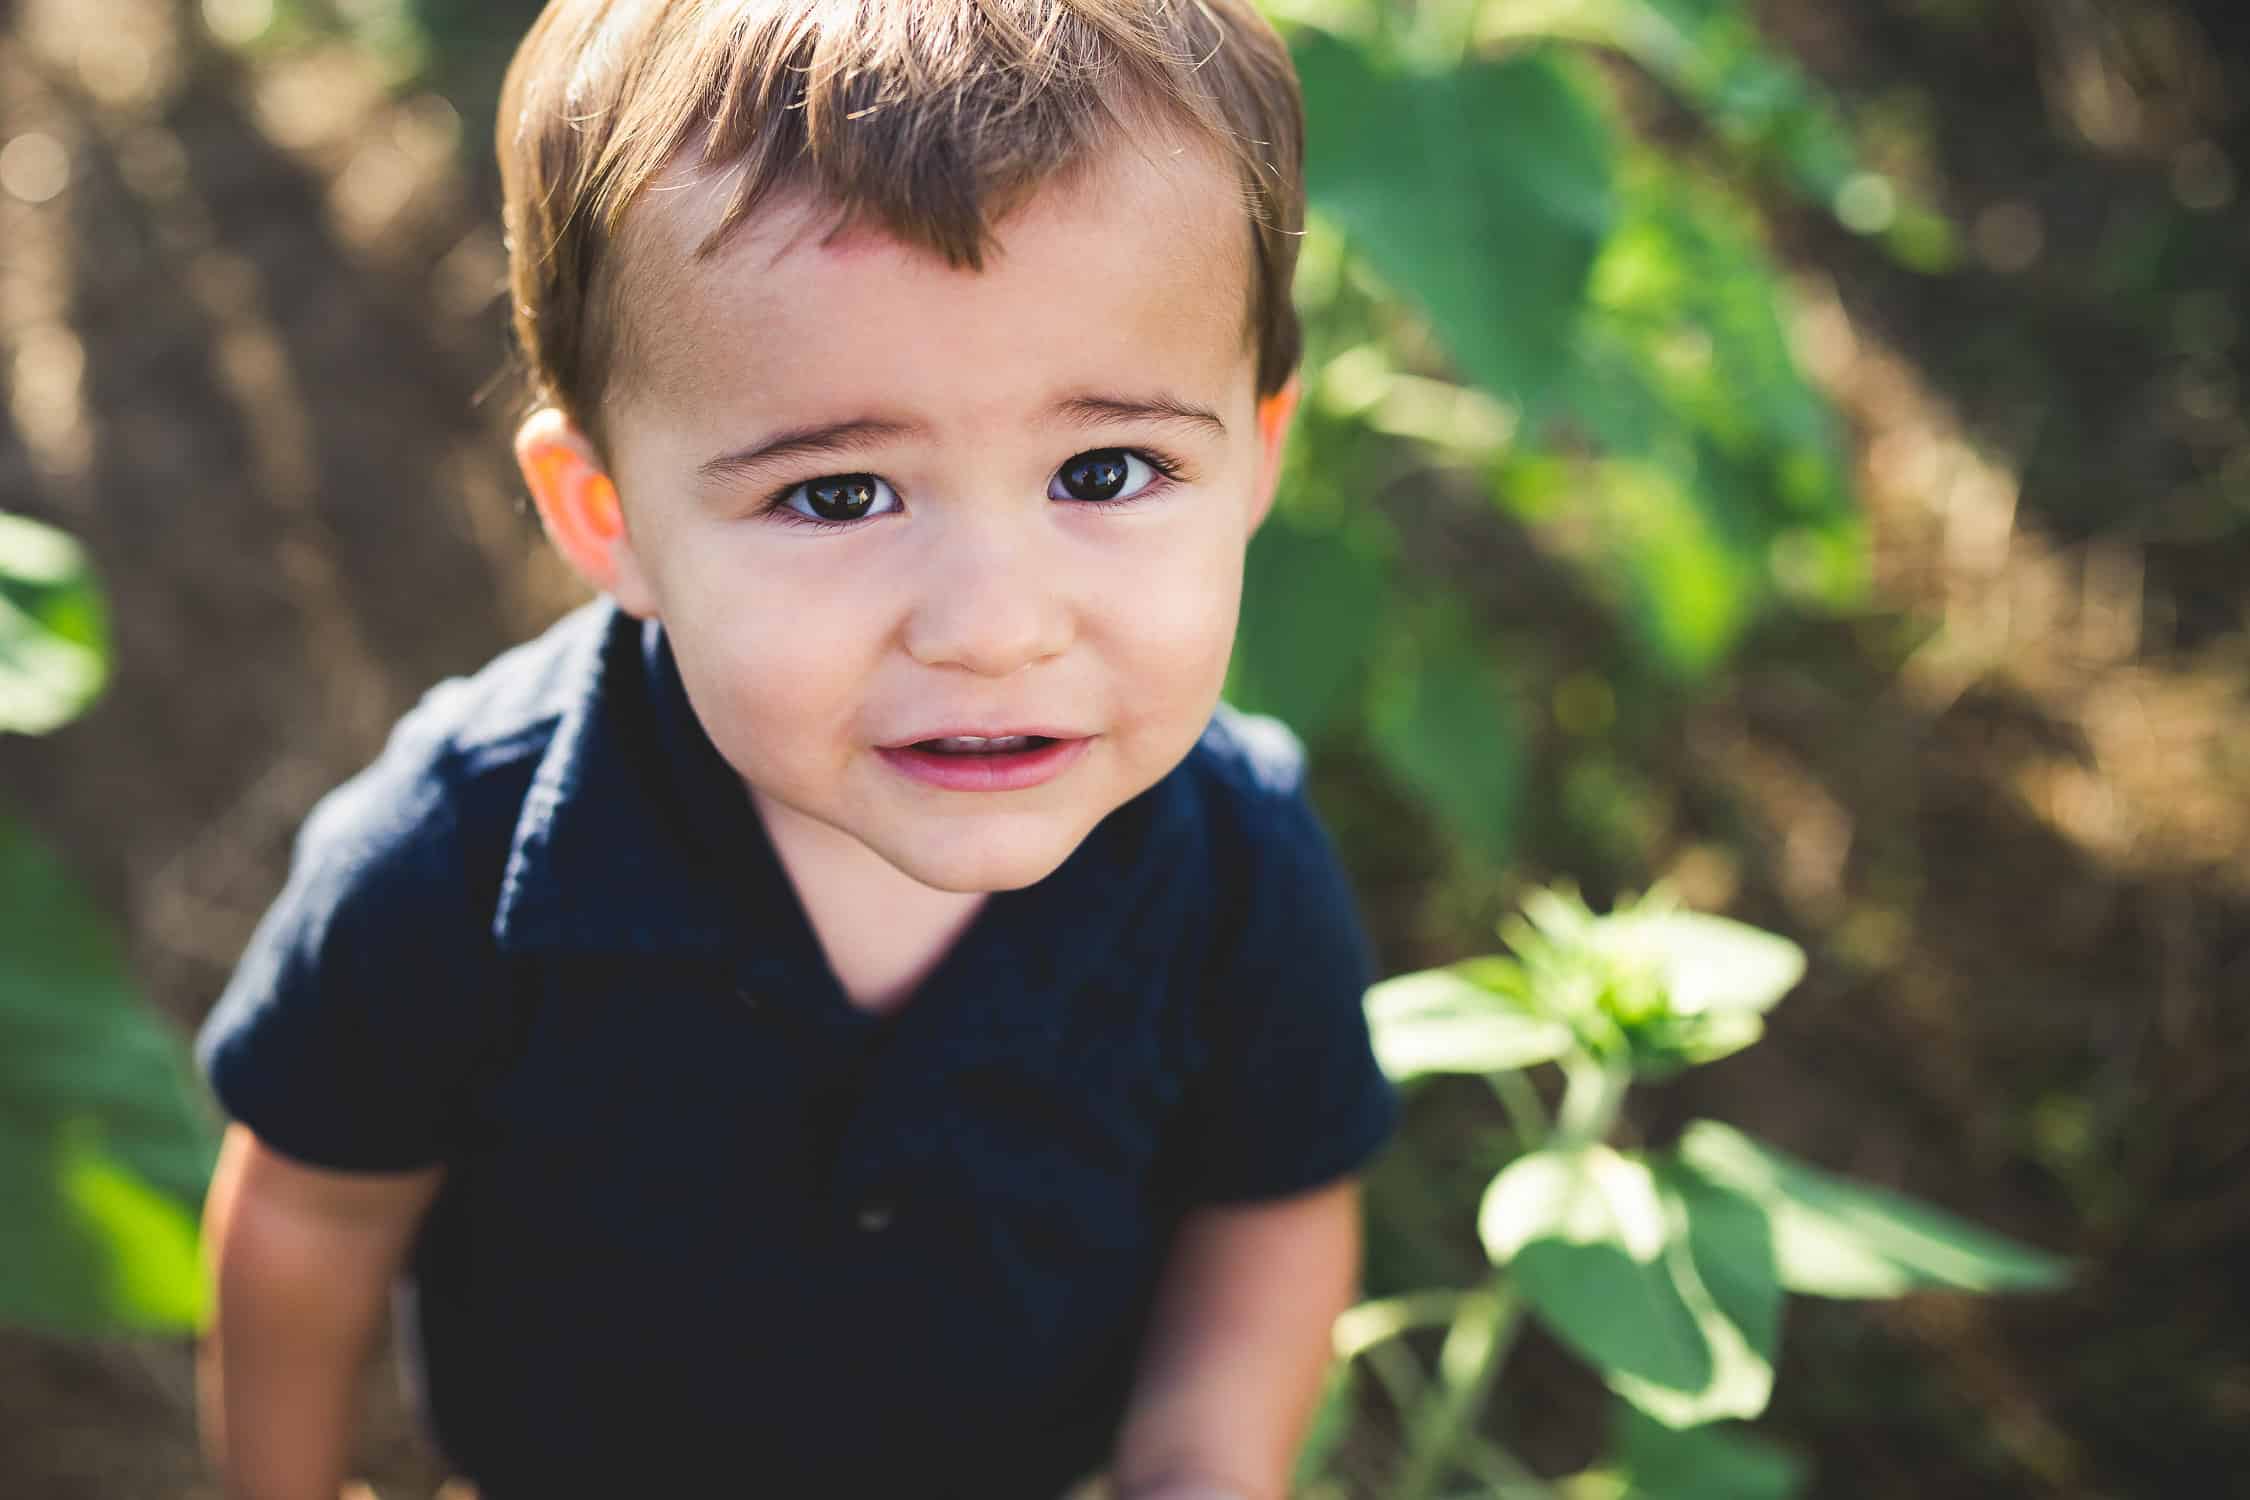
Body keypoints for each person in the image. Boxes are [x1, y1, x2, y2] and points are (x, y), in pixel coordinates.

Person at [193, 0, 1398, 1495]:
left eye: (1106, 469)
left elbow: (1269, 1198)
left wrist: (1204, 1460)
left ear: (1255, 458)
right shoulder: (457, 866)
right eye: (839, 496)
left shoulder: (1237, 861)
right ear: (607, 518)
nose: (991, 626)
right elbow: (310, 1219)